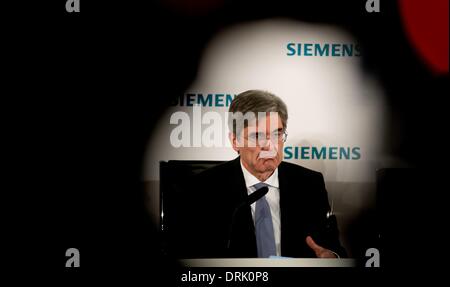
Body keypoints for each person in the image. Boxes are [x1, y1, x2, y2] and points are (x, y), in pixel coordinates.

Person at [170, 90, 346, 258]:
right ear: (235, 141)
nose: (270, 146)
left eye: (277, 134)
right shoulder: (202, 189)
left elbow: (331, 247)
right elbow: (187, 255)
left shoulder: (309, 184)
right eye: (257, 136)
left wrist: (332, 256)